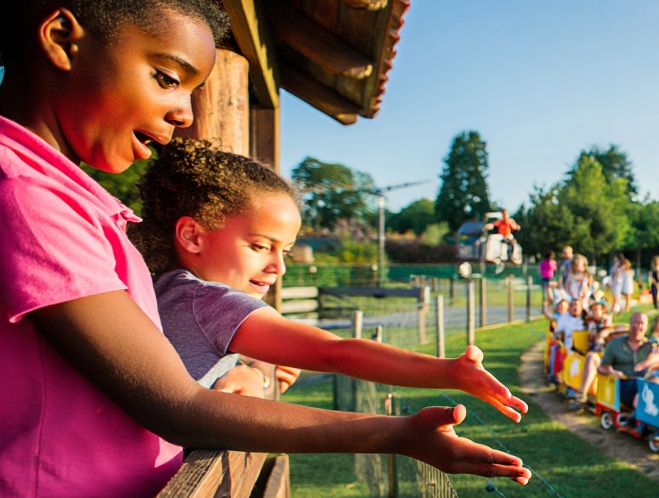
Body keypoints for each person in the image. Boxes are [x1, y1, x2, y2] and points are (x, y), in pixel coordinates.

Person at [0, 0, 526, 498]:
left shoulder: (68, 202)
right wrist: (395, 433)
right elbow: (175, 404)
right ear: (61, 39)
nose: (185, 113)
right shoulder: (24, 197)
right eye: (166, 76)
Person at [130, 138, 531, 419]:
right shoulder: (208, 300)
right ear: (192, 236)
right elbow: (335, 353)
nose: (278, 267)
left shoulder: (165, 289)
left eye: (285, 251)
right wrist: (446, 372)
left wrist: (256, 374)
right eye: (260, 246)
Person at [597, 311, 659, 410]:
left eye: (642, 324)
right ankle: (641, 414)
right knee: (647, 388)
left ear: (646, 327)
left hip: (646, 381)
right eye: (636, 322)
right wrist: (611, 371)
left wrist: (644, 364)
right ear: (630, 324)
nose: (639, 326)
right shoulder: (615, 344)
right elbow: (602, 367)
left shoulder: (649, 344)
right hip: (625, 382)